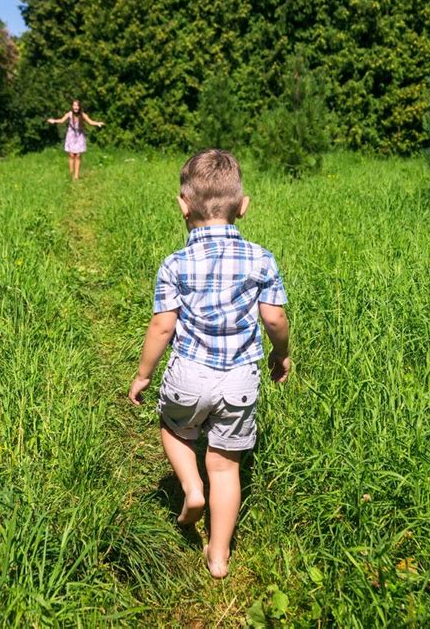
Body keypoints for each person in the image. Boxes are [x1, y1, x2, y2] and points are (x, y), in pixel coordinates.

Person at [128, 149, 290, 579]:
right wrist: (282, 353)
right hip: (240, 378)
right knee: (225, 464)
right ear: (243, 206)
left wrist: (143, 374)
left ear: (183, 204)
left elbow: (163, 326)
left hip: (189, 373)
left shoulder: (175, 264)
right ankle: (219, 556)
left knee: (172, 426)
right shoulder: (261, 259)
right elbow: (274, 318)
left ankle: (191, 488)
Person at [47, 100, 104, 180]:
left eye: (77, 106)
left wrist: (98, 123)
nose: (75, 107)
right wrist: (54, 121)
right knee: (71, 155)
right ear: (72, 106)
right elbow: (62, 120)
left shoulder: (83, 115)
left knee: (77, 155)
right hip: (71, 136)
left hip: (79, 136)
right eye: (74, 105)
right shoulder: (69, 114)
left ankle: (76, 176)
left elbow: (90, 122)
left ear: (79, 107)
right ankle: (71, 173)